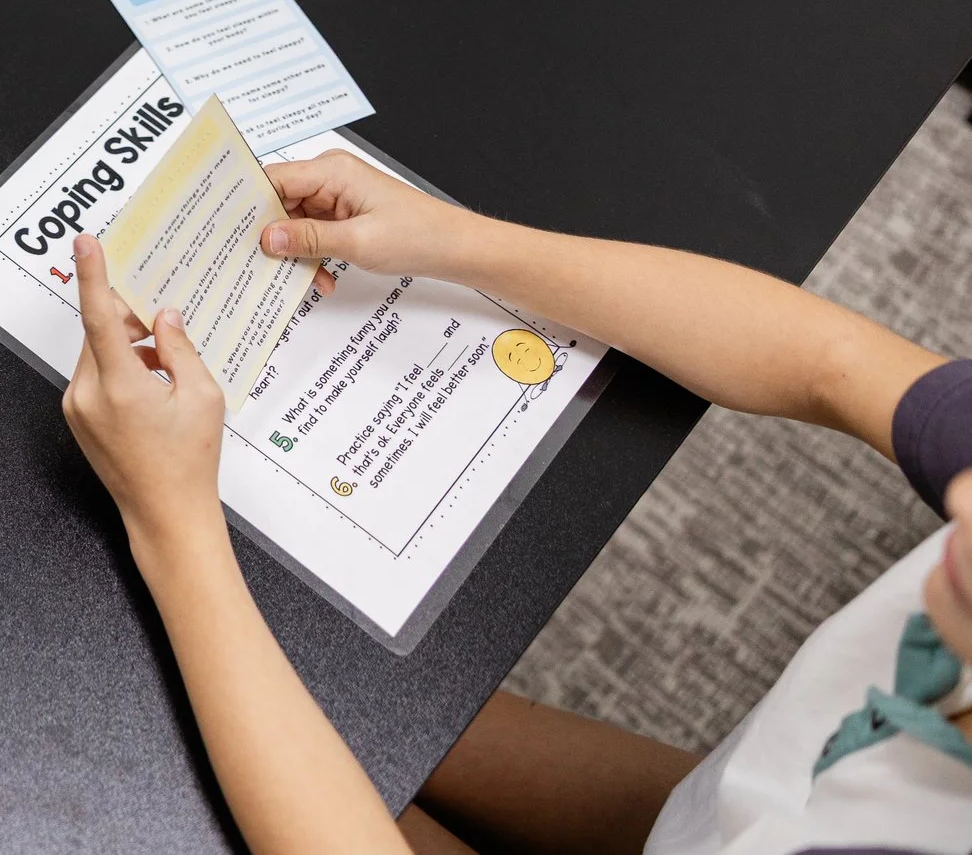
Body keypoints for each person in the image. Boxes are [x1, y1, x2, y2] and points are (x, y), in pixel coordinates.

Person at [60, 147, 972, 855]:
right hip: (730, 812)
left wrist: (171, 523)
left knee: (143, 756)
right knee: (340, 679)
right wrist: (453, 241)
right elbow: (831, 359)